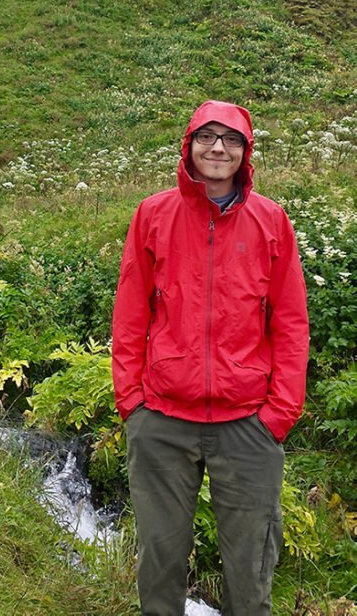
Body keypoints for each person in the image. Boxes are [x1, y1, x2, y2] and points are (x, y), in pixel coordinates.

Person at [112, 100, 309, 616]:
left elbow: (290, 322)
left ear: (246, 153)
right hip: (161, 420)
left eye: (231, 139)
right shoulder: (152, 214)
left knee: (250, 570)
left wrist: (279, 413)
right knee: (159, 561)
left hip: (248, 423)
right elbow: (131, 310)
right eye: (207, 136)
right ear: (189, 145)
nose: (218, 147)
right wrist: (132, 401)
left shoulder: (272, 221)